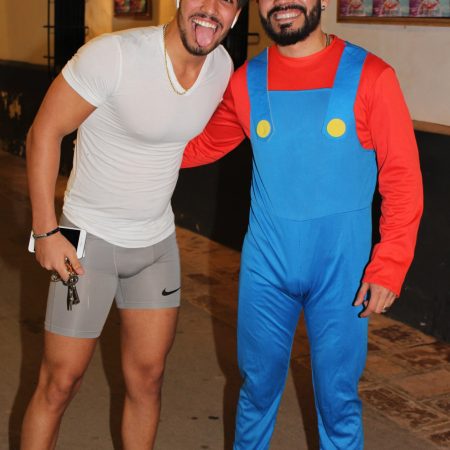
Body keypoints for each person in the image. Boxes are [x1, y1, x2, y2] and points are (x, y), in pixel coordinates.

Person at [182, 0, 423, 448]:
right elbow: (201, 146)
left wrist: (390, 263)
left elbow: (403, 178)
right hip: (265, 268)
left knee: (337, 400)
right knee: (256, 390)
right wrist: (125, 145)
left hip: (341, 273)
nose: (282, 2)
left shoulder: (372, 76)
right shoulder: (246, 81)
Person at [22, 0, 247, 448]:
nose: (210, 8)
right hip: (87, 240)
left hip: (156, 245)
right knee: (60, 382)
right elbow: (43, 132)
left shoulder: (222, 67)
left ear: (236, 16)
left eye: (226, 0)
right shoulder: (114, 56)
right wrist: (46, 231)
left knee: (148, 379)